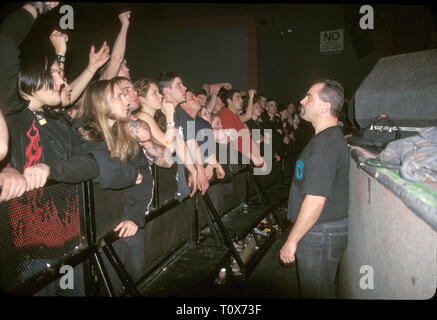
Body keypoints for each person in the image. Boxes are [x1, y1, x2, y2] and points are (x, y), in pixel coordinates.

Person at [74, 79, 154, 294]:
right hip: (90, 231)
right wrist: (131, 174)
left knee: (135, 276)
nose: (126, 100)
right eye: (119, 95)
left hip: (121, 220)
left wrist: (136, 215)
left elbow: (144, 176)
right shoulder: (82, 133)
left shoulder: (124, 136)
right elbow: (107, 173)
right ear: (101, 102)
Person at [280, 79, 349, 299]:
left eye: (309, 97)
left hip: (319, 232)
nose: (302, 100)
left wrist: (292, 241)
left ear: (325, 106)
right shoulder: (326, 139)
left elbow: (316, 200)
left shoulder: (324, 145)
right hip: (322, 230)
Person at [134, 77, 199, 197]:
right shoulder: (142, 117)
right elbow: (171, 147)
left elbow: (179, 143)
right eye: (154, 93)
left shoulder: (153, 117)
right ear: (142, 99)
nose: (160, 96)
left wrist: (194, 171)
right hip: (144, 183)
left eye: (159, 92)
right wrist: (169, 116)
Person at [158, 72, 209, 197]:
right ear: (166, 91)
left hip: (180, 176)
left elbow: (192, 141)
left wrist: (199, 172)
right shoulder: (158, 114)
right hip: (163, 180)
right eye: (178, 85)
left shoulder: (183, 114)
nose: (184, 88)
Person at [218, 89, 267, 172]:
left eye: (241, 98)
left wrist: (251, 97)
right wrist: (253, 157)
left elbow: (248, 116)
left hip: (243, 160)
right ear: (229, 101)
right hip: (238, 161)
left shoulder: (234, 116)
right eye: (238, 98)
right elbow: (233, 141)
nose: (241, 100)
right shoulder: (226, 114)